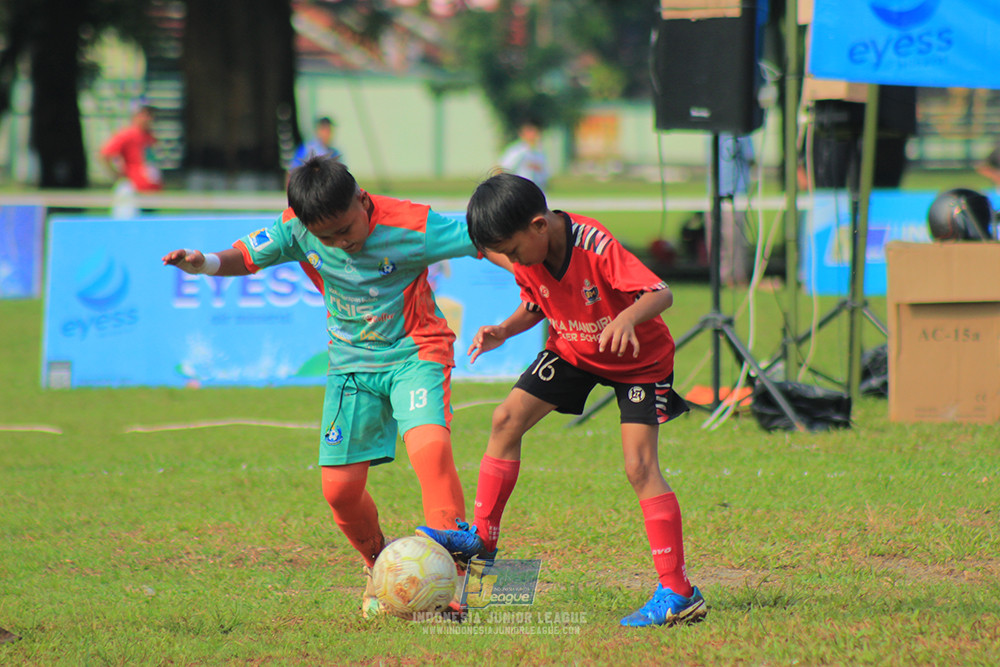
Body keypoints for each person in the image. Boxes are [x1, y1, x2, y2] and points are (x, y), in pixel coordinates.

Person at [162, 157, 509, 618]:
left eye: (347, 228)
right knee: (339, 491)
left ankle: (456, 585)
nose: (341, 243)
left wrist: (537, 277)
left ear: (363, 200)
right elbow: (245, 256)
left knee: (431, 451)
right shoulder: (295, 229)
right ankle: (380, 568)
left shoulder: (412, 224)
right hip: (350, 365)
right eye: (328, 239)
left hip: (415, 353)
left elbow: (485, 239)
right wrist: (202, 263)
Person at [417, 173, 705, 628]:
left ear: (538, 226)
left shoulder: (594, 243)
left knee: (639, 466)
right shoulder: (528, 252)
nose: (512, 261)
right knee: (505, 419)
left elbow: (659, 292)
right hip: (574, 348)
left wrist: (627, 318)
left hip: (637, 360)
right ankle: (484, 547)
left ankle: (678, 591)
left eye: (512, 252)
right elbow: (537, 302)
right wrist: (504, 330)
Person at [708, 133, 754, 286]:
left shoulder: (741, 132)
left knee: (734, 238)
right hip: (716, 192)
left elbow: (749, 157)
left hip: (735, 193)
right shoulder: (713, 132)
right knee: (720, 239)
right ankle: (722, 277)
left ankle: (737, 277)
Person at [100, 103, 162, 193]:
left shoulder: (150, 136)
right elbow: (105, 154)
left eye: (151, 115)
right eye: (145, 114)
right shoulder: (127, 134)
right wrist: (118, 175)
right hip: (133, 189)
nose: (149, 118)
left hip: (151, 190)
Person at [498, 121, 550, 191]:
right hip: (519, 189)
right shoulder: (516, 150)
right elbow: (503, 168)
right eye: (530, 133)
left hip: (537, 190)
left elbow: (545, 174)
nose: (533, 136)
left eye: (535, 132)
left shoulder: (539, 152)